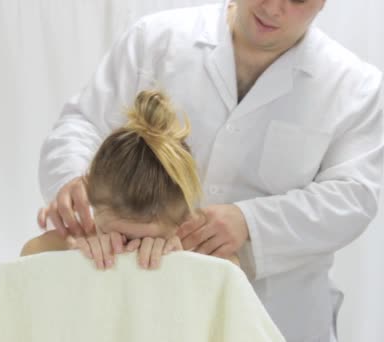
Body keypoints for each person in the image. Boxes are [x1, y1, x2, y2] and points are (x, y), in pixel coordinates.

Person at [36, 0, 384, 341]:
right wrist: (73, 178)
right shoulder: (156, 40)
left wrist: (250, 222)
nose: (274, 8)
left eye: (298, 0)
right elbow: (83, 123)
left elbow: (353, 196)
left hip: (279, 314)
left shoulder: (356, 87)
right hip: (149, 302)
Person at [23, 90, 240, 267]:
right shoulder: (78, 242)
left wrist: (182, 260)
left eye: (146, 240)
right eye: (117, 236)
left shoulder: (196, 254)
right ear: (93, 208)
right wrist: (73, 252)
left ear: (184, 222)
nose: (128, 250)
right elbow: (27, 257)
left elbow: (232, 271)